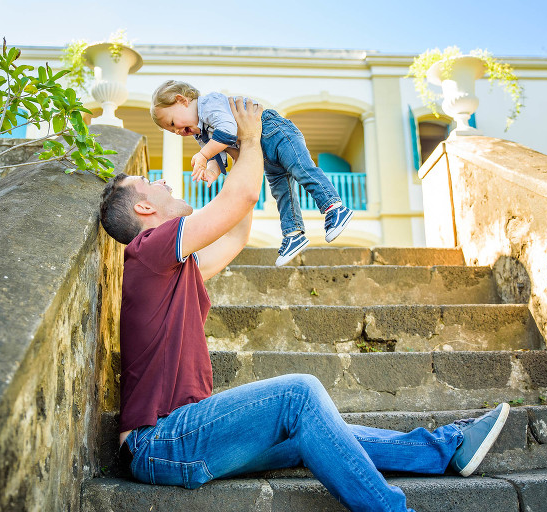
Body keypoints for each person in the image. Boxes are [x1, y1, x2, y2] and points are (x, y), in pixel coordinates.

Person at [99, 97, 510, 512]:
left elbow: (235, 233)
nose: (165, 184)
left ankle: (446, 449)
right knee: (299, 394)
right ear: (144, 207)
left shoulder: (172, 266)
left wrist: (239, 151)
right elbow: (239, 201)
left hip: (185, 436)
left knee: (311, 432)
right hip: (160, 440)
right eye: (152, 182)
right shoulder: (147, 248)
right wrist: (251, 136)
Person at [150, 80, 354, 266]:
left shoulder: (208, 104)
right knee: (281, 191)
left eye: (171, 123)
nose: (176, 131)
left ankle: (334, 207)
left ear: (181, 100)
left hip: (273, 131)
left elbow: (228, 130)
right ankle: (293, 233)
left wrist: (203, 154)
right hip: (259, 149)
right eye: (171, 131)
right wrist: (212, 169)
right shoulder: (202, 133)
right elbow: (218, 155)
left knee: (301, 169)